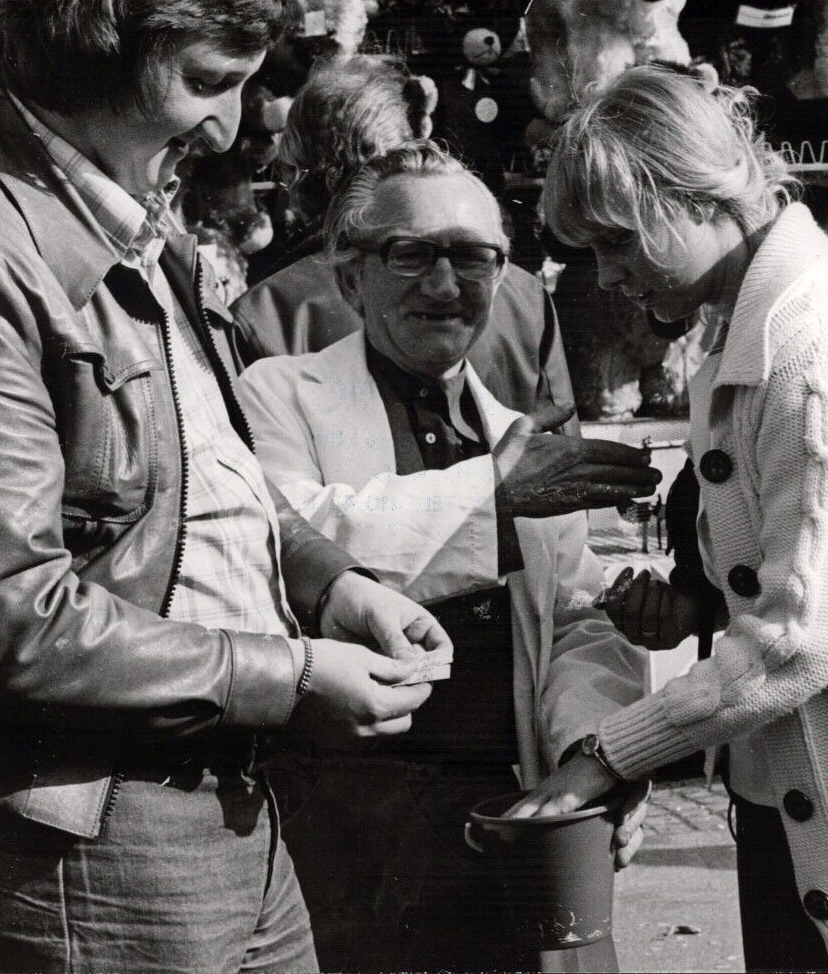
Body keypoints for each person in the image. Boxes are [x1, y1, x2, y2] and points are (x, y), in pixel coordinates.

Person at [0, 0, 449, 974]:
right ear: (97, 40)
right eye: (206, 83)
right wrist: (295, 676)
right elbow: (12, 624)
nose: (224, 127)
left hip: (225, 809)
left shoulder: (125, 219)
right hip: (98, 839)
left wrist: (330, 586)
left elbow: (199, 480)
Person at [510, 66, 828, 973]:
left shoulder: (821, 345)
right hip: (799, 789)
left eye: (617, 243)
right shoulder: (743, 319)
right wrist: (697, 609)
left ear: (697, 198)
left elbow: (801, 636)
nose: (609, 276)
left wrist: (609, 755)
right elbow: (781, 563)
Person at [235, 140, 657, 972]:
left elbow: (576, 619)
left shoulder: (517, 435)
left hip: (516, 818)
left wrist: (592, 755)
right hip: (348, 828)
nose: (444, 284)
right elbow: (295, 544)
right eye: (410, 254)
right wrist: (491, 498)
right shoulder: (277, 395)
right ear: (350, 276)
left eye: (473, 257)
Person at [232, 53, 576, 420]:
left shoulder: (266, 314)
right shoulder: (523, 294)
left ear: (307, 173)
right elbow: (564, 456)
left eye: (289, 165)